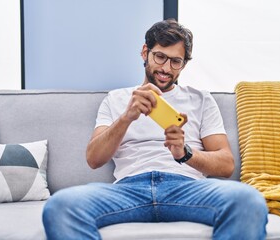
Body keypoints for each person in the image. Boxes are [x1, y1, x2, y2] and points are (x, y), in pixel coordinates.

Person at [42, 19, 268, 240]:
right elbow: (93, 159)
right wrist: (126, 118)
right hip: (128, 190)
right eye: (160, 57)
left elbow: (226, 164)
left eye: (176, 62)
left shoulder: (201, 100)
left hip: (186, 188)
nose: (166, 69)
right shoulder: (116, 99)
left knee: (248, 200)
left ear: (184, 65)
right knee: (60, 206)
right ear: (144, 52)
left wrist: (185, 153)